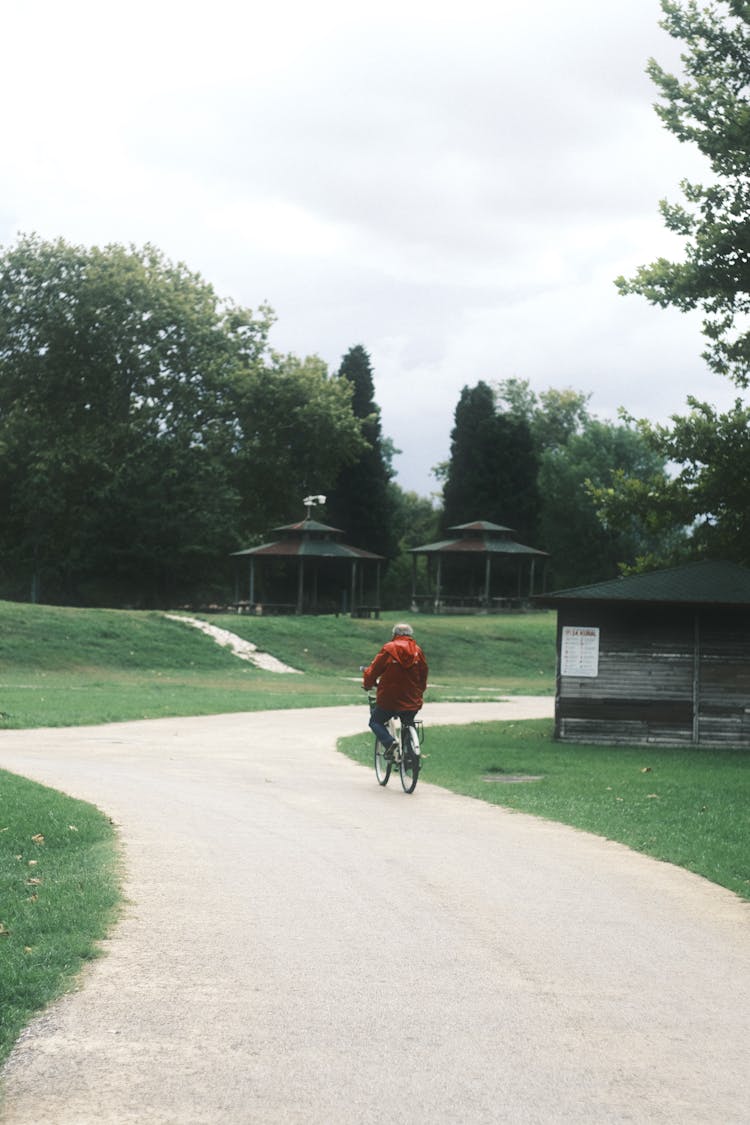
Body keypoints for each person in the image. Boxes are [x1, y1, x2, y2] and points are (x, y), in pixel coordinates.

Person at [362, 623, 428, 760]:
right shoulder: (418, 651)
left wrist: (368, 684)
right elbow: (423, 674)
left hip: (389, 699)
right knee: (408, 721)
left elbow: (374, 671)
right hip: (411, 699)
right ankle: (411, 755)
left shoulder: (389, 649)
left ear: (394, 635)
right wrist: (419, 691)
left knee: (375, 721)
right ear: (410, 635)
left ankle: (389, 742)